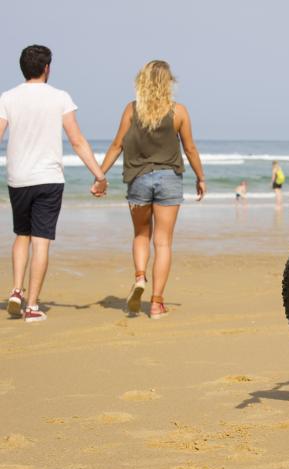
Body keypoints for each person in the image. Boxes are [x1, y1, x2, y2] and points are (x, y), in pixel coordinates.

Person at [0, 45, 107, 323]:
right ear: (47, 68)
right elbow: (77, 140)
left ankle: (15, 291)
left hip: (18, 178)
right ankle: (33, 305)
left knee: (21, 234)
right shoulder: (60, 97)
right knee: (42, 241)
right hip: (48, 178)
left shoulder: (7, 98)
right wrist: (99, 174)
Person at [99, 60, 206, 319]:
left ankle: (139, 278)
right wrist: (200, 177)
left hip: (138, 178)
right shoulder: (179, 112)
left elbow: (116, 145)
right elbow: (190, 148)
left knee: (141, 235)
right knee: (164, 242)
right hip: (169, 179)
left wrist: (99, 175)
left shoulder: (131, 110)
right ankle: (157, 304)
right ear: (169, 82)